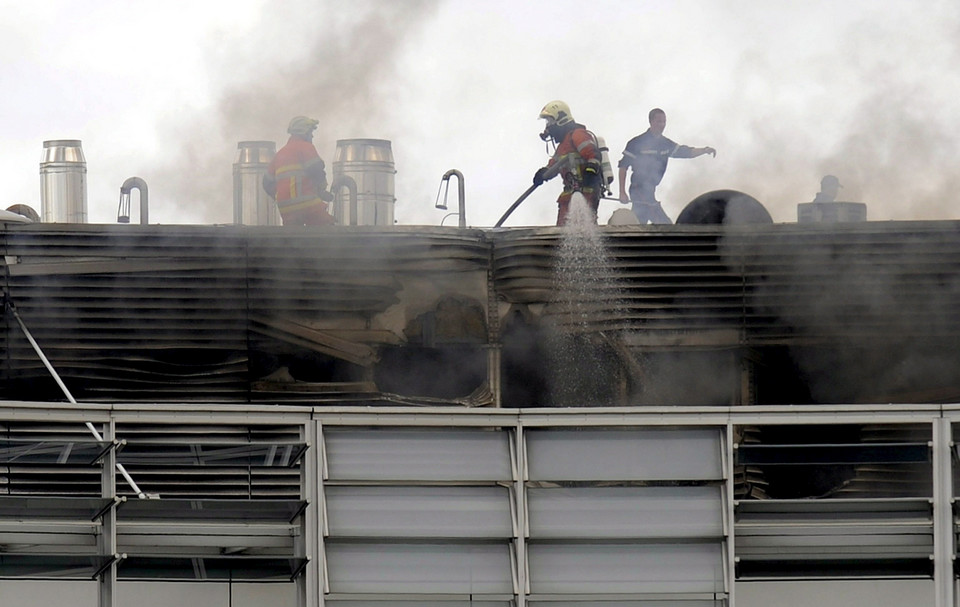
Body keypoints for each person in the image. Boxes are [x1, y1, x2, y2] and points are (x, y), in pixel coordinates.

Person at [618, 108, 716, 224]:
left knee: (639, 223)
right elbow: (623, 167)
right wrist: (622, 192)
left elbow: (685, 152)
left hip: (650, 190)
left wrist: (704, 150)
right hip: (639, 189)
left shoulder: (665, 144)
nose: (662, 125)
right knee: (664, 223)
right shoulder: (636, 143)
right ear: (651, 121)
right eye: (659, 121)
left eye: (664, 122)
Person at [532, 100, 603, 226]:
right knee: (563, 230)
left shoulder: (578, 135)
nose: (548, 126)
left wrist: (590, 172)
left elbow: (594, 155)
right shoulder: (563, 146)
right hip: (569, 194)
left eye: (550, 121)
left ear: (561, 119)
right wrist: (543, 174)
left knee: (582, 227)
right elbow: (554, 165)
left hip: (586, 191)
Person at [263, 116, 336, 226]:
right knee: (326, 229)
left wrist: (281, 196)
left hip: (286, 209)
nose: (312, 135)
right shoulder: (306, 147)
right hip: (308, 205)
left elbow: (266, 183)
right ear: (304, 132)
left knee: (294, 239)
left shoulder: (279, 154)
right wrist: (322, 192)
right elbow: (316, 170)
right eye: (310, 132)